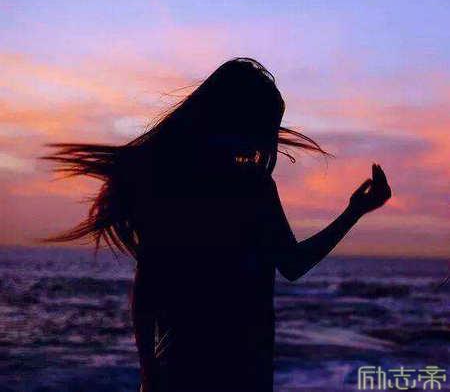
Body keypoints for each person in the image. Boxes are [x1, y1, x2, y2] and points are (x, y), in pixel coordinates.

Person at [40, 57, 391, 392]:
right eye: (266, 124)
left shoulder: (171, 182)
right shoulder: (251, 186)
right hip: (241, 367)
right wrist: (354, 212)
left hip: (180, 368)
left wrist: (148, 371)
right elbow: (293, 264)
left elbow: (147, 287)